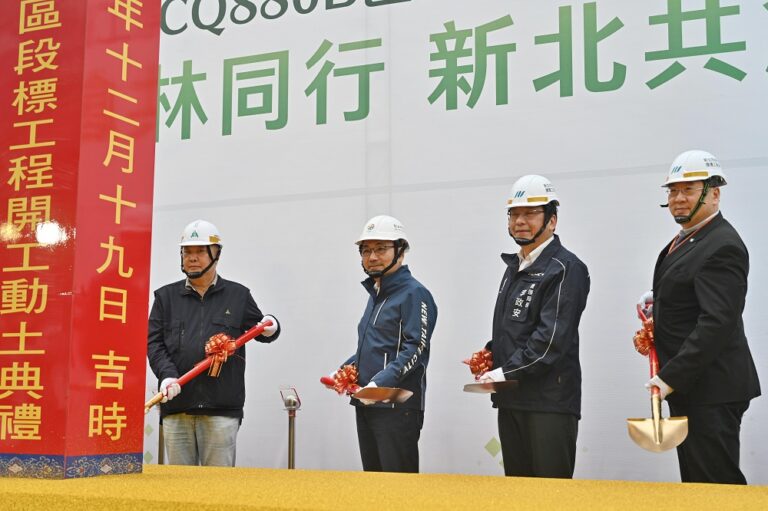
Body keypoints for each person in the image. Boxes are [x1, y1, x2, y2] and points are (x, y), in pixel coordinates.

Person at [639, 150, 760, 484]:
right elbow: (694, 295)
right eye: (673, 191)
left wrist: (670, 377)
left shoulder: (722, 245)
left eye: (688, 190)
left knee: (716, 485)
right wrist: (658, 304)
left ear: (714, 193)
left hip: (712, 389)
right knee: (697, 487)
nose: (678, 198)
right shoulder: (690, 239)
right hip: (695, 388)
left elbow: (717, 322)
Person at [473, 175, 589, 478]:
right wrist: (491, 354)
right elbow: (517, 330)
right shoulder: (515, 266)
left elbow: (549, 341)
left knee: (550, 495)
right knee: (517, 494)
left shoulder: (566, 268)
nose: (520, 221)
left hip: (549, 404)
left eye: (530, 213)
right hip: (512, 399)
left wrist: (504, 372)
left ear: (552, 220)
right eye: (514, 214)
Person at [147, 219, 280, 466]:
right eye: (187, 252)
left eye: (199, 251)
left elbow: (261, 330)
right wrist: (167, 376)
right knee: (179, 485)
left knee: (218, 485)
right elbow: (154, 344)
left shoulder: (238, 295)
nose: (192, 258)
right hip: (177, 407)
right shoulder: (165, 297)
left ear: (216, 254)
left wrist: (273, 327)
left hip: (221, 411)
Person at [326, 215, 437, 473]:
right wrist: (344, 370)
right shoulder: (377, 294)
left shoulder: (415, 293)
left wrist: (379, 383)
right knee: (374, 485)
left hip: (397, 408)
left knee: (398, 488)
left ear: (400, 251)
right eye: (366, 250)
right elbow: (375, 348)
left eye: (381, 249)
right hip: (367, 403)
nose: (372, 257)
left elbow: (415, 349)